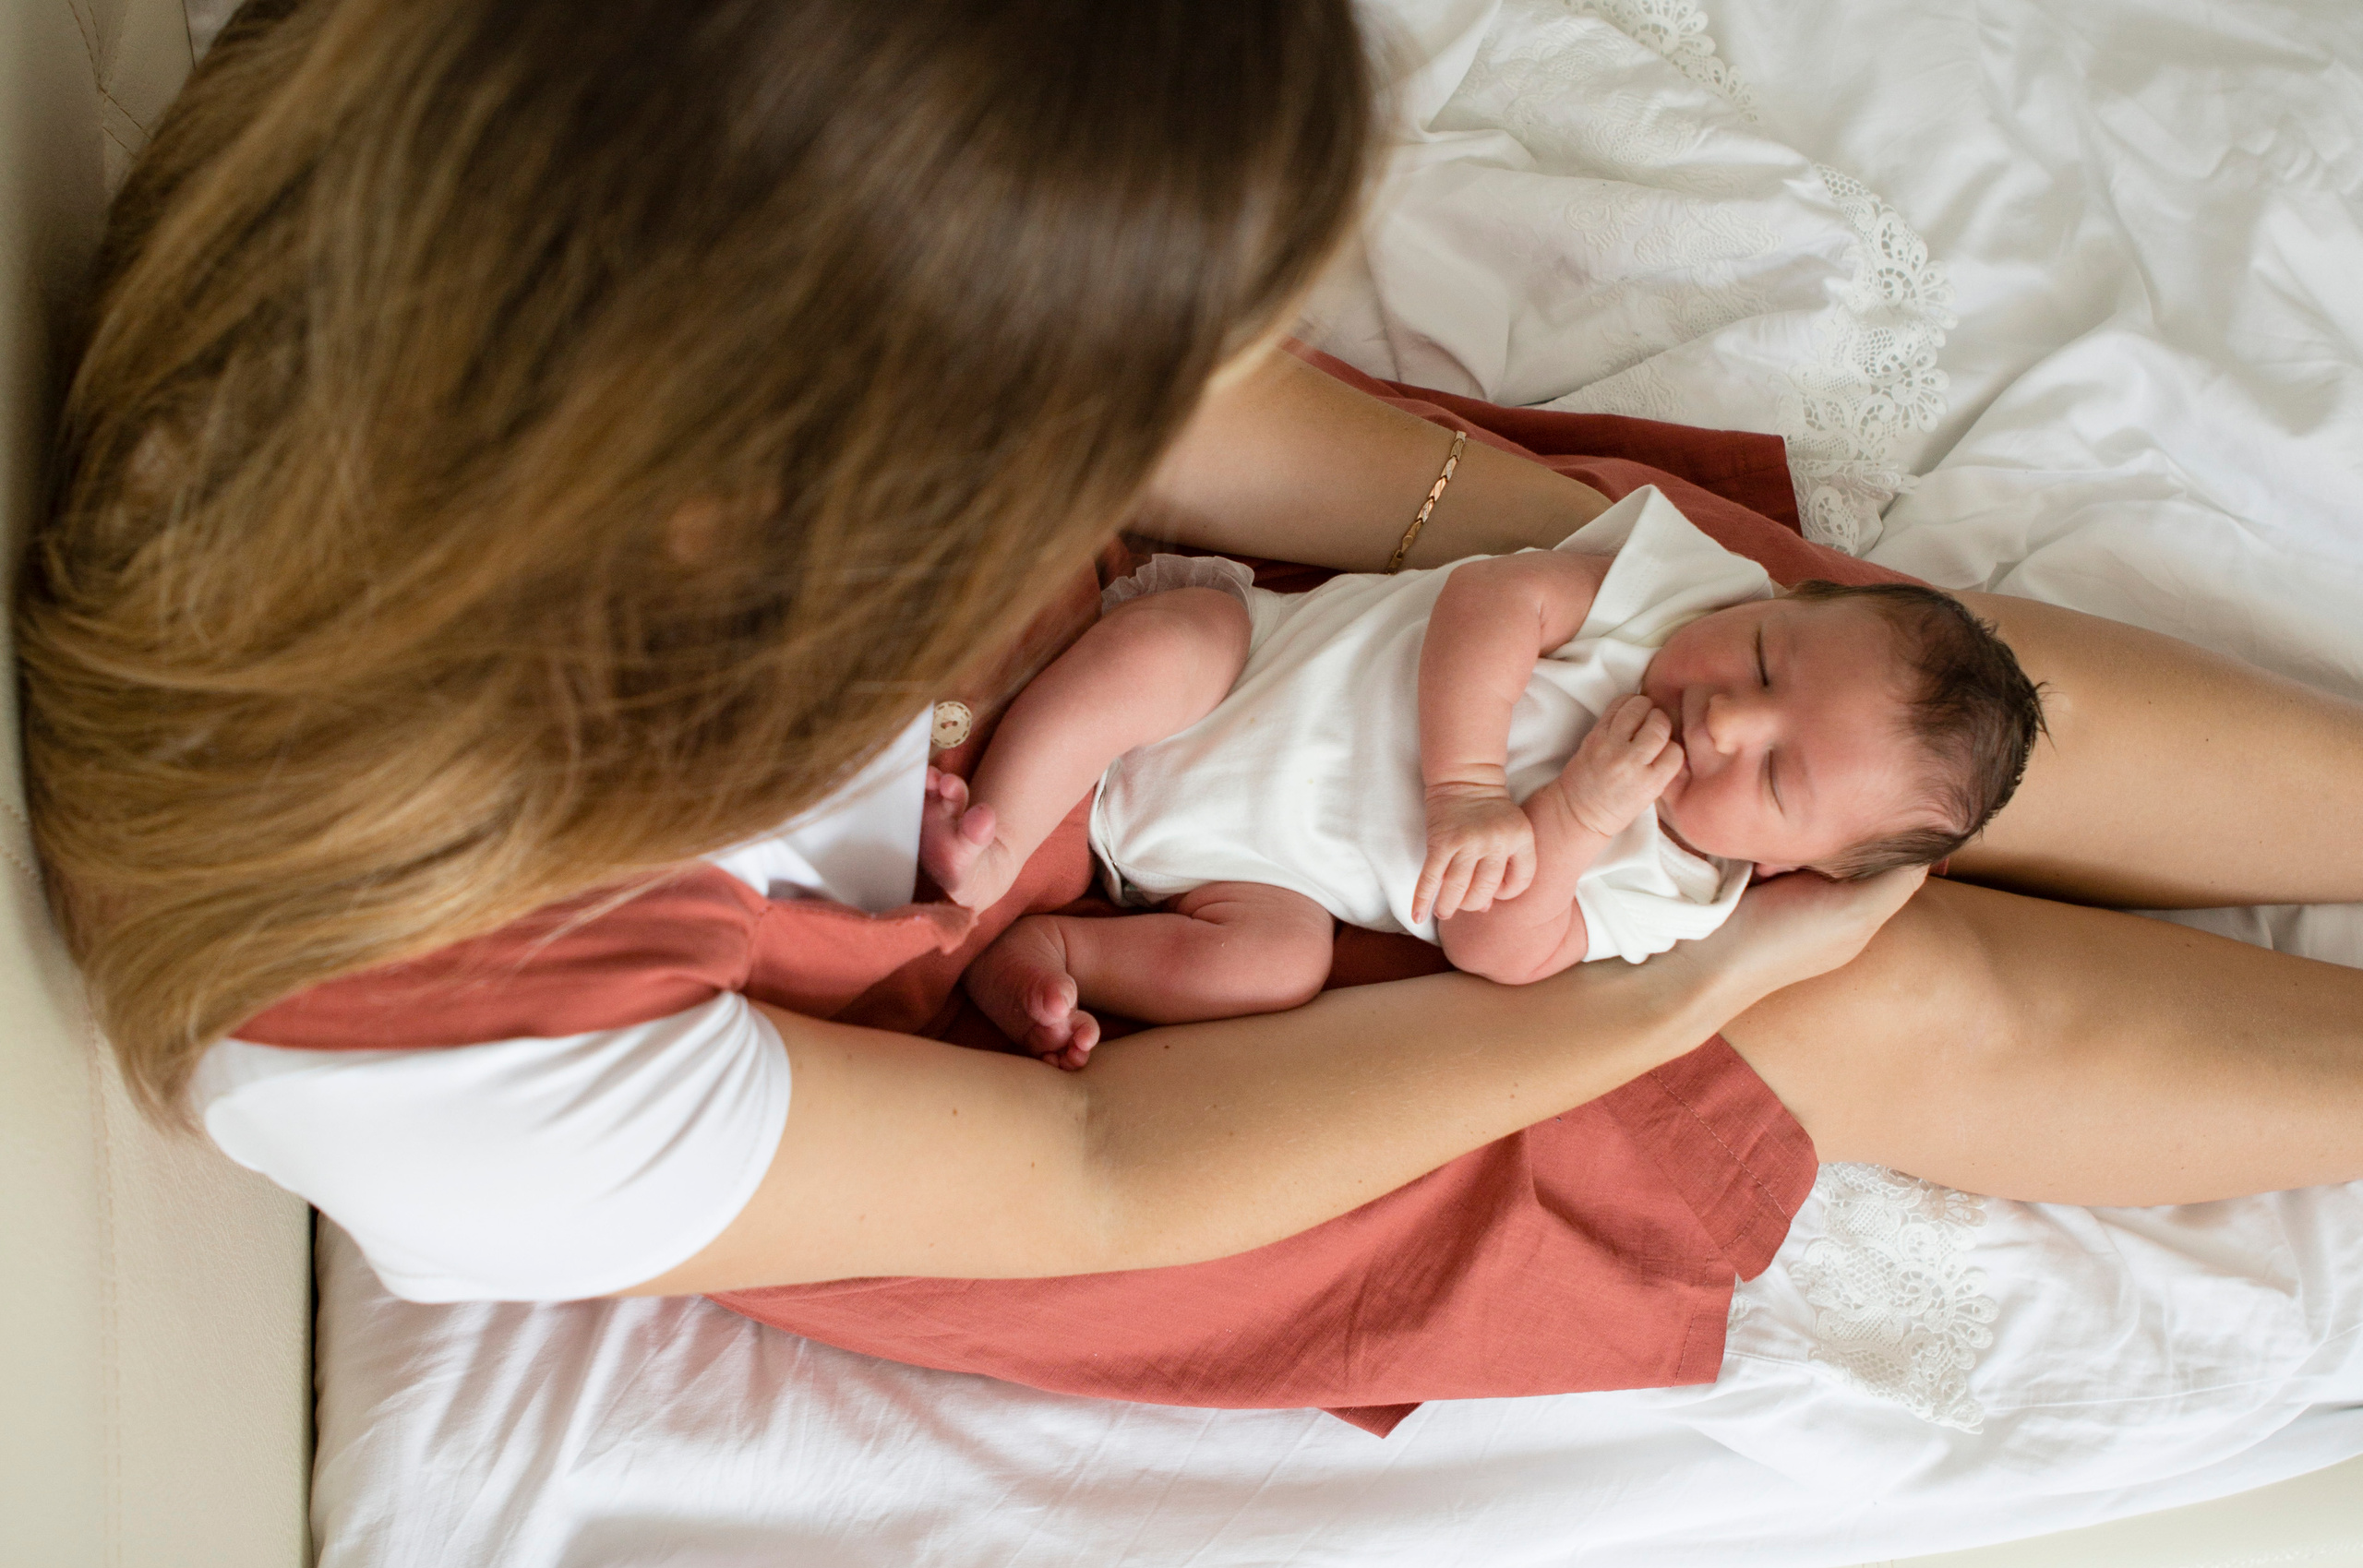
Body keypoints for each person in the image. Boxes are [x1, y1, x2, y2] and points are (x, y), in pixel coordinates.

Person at [18, 0, 2363, 1366]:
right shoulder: (431, 1036)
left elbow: (1266, 441)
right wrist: (1673, 973)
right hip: (1068, 1016)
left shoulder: (637, 187)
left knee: (1895, 682)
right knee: (1860, 999)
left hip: (1192, 669)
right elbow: (1094, 1162)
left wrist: (1613, 588)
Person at [928, 489, 2043, 1066]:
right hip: (1241, 670)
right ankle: (993, 842)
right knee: (1164, 644)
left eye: (1777, 776)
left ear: (1786, 864)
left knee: (1276, 969)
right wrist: (1465, 788)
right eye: (1763, 660)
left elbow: (1500, 949)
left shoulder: (1677, 892)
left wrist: (1573, 815)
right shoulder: (1677, 592)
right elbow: (1493, 599)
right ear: (1780, 601)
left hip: (1242, 873)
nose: (1728, 717)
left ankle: (1058, 949)